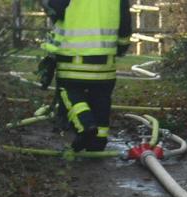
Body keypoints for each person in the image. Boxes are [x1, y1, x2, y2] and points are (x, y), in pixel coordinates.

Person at [41, 0, 131, 152]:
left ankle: (85, 126)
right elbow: (125, 23)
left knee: (69, 93)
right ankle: (99, 140)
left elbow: (54, 9)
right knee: (101, 99)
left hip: (73, 59)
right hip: (105, 62)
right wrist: (122, 46)